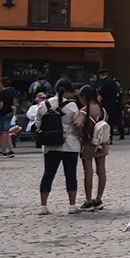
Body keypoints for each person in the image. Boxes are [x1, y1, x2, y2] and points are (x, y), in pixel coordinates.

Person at [38, 80, 82, 214]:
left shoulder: (44, 105)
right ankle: (72, 205)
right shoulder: (72, 106)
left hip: (50, 145)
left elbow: (38, 125)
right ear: (68, 91)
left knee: (48, 174)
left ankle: (43, 206)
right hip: (69, 144)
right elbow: (77, 126)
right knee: (71, 174)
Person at [75, 83, 109, 210]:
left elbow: (78, 123)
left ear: (84, 96)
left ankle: (88, 200)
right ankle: (99, 198)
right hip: (102, 143)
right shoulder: (102, 109)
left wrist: (78, 130)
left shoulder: (84, 110)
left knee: (88, 172)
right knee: (101, 171)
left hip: (88, 143)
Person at [0, 77, 18, 158]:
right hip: (10, 112)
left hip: (3, 114)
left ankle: (3, 150)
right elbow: (15, 103)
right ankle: (10, 149)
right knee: (7, 131)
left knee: (3, 133)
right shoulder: (13, 91)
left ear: (2, 84)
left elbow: (0, 105)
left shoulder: (2, 93)